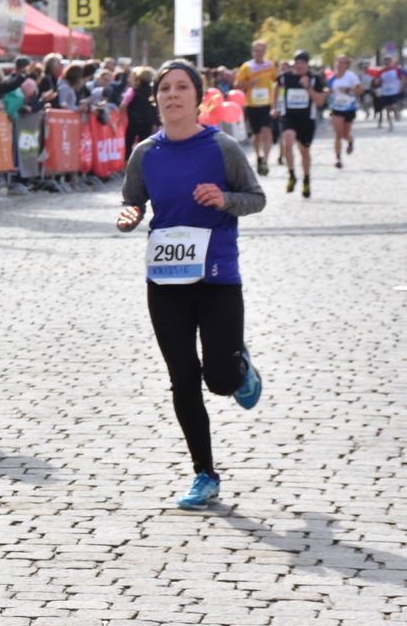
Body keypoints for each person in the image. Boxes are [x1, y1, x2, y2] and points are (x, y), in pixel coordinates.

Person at [117, 59, 266, 510]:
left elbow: (255, 198)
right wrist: (130, 215)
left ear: (198, 97)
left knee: (218, 379)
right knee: (183, 379)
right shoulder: (145, 153)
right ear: (156, 98)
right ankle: (204, 473)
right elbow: (132, 199)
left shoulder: (221, 147)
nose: (172, 95)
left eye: (182, 87)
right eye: (165, 88)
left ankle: (240, 368)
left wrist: (224, 199)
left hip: (218, 277)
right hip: (165, 280)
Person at [276, 50, 326, 199]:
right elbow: (276, 88)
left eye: (302, 63)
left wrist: (307, 88)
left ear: (307, 64)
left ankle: (306, 179)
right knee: (288, 141)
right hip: (289, 116)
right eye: (297, 63)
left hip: (307, 119)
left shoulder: (314, 79)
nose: (299, 66)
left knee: (304, 151)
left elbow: (320, 101)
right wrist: (274, 107)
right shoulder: (286, 77)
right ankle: (291, 174)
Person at [233, 41, 279, 175]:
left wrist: (276, 101)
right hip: (252, 104)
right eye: (256, 51)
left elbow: (277, 82)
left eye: (261, 51)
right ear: (253, 52)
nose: (259, 53)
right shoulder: (247, 67)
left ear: (265, 52)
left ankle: (266, 159)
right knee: (257, 134)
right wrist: (250, 83)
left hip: (266, 104)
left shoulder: (270, 66)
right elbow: (237, 85)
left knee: (267, 130)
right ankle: (258, 156)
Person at [326, 54, 361, 167]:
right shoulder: (332, 78)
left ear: (346, 64)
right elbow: (330, 90)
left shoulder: (350, 76)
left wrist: (348, 89)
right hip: (336, 107)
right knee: (338, 134)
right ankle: (338, 159)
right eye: (338, 62)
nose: (340, 64)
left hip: (349, 108)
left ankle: (350, 141)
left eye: (343, 62)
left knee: (345, 134)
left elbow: (360, 89)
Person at [375, 55, 402, 130]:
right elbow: (378, 81)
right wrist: (377, 82)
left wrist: (401, 87)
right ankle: (390, 124)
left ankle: (397, 112)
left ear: (391, 61)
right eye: (385, 61)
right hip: (385, 92)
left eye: (388, 61)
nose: (387, 62)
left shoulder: (396, 69)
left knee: (393, 105)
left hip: (394, 91)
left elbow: (402, 77)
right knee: (387, 109)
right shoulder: (381, 71)